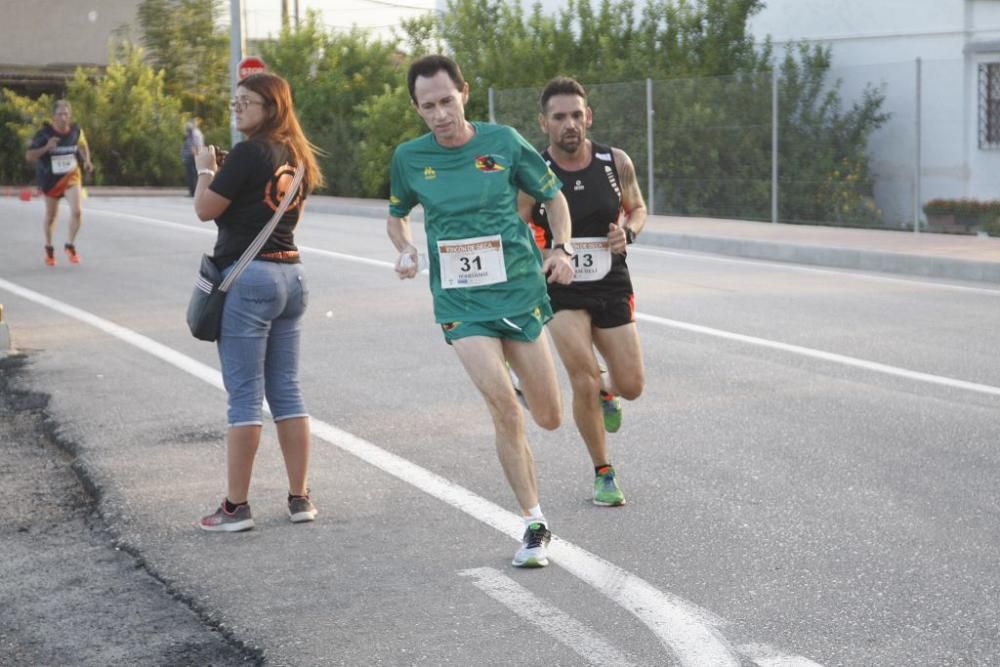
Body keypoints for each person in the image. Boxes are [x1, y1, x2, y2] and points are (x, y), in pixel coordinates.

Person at [387, 55, 575, 568]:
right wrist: (405, 248)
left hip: (517, 291)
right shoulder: (409, 158)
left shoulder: (504, 142)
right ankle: (534, 524)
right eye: (429, 106)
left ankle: (518, 378)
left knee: (551, 417)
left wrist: (560, 248)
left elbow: (553, 199)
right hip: (460, 302)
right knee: (504, 409)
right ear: (417, 107)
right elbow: (397, 215)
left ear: (464, 93)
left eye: (447, 101)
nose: (440, 114)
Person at [193, 72, 324, 532]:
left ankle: (236, 508)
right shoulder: (298, 155)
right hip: (292, 275)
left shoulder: (249, 153)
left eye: (246, 102)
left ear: (271, 107)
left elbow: (205, 208)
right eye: (235, 101)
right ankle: (299, 497)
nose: (237, 108)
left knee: (245, 396)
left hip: (249, 279)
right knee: (286, 389)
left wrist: (205, 168)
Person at [518, 77, 647, 507]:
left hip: (611, 279)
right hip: (561, 284)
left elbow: (638, 207)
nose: (570, 123)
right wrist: (545, 254)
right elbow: (518, 223)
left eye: (576, 114)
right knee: (584, 380)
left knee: (631, 385)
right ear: (544, 123)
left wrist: (627, 232)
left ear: (588, 116)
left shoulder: (615, 162)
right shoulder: (533, 171)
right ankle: (603, 472)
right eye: (559, 117)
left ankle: (611, 392)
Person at [25, 99, 94, 266]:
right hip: (50, 179)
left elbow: (83, 146)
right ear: (53, 116)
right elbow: (29, 156)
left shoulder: (76, 131)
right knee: (51, 216)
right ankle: (49, 249)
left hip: (71, 176)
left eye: (66, 114)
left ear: (70, 116)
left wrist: (86, 161)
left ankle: (70, 245)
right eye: (60, 114)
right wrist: (47, 147)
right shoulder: (44, 134)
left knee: (77, 212)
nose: (63, 117)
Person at [181, 119, 205, 196]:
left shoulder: (194, 133)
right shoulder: (195, 132)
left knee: (192, 175)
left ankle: (193, 192)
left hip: (193, 157)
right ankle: (193, 192)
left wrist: (195, 156)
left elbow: (195, 146)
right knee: (193, 175)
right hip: (193, 156)